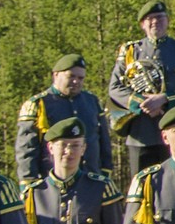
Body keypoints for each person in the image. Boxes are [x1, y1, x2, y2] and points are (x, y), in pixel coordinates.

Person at [108, 0, 175, 173]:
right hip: (140, 133)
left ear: (167, 21)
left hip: (174, 131)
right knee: (142, 188)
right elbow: (115, 88)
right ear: (143, 24)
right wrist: (142, 103)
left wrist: (164, 99)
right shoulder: (130, 50)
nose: (155, 21)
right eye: (149, 19)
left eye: (159, 17)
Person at [15, 53, 110, 182]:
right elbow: (27, 149)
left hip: (90, 178)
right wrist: (29, 181)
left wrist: (105, 172)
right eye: (71, 76)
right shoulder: (39, 104)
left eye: (80, 78)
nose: (76, 81)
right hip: (52, 182)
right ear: (55, 75)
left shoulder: (91, 101)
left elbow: (103, 140)